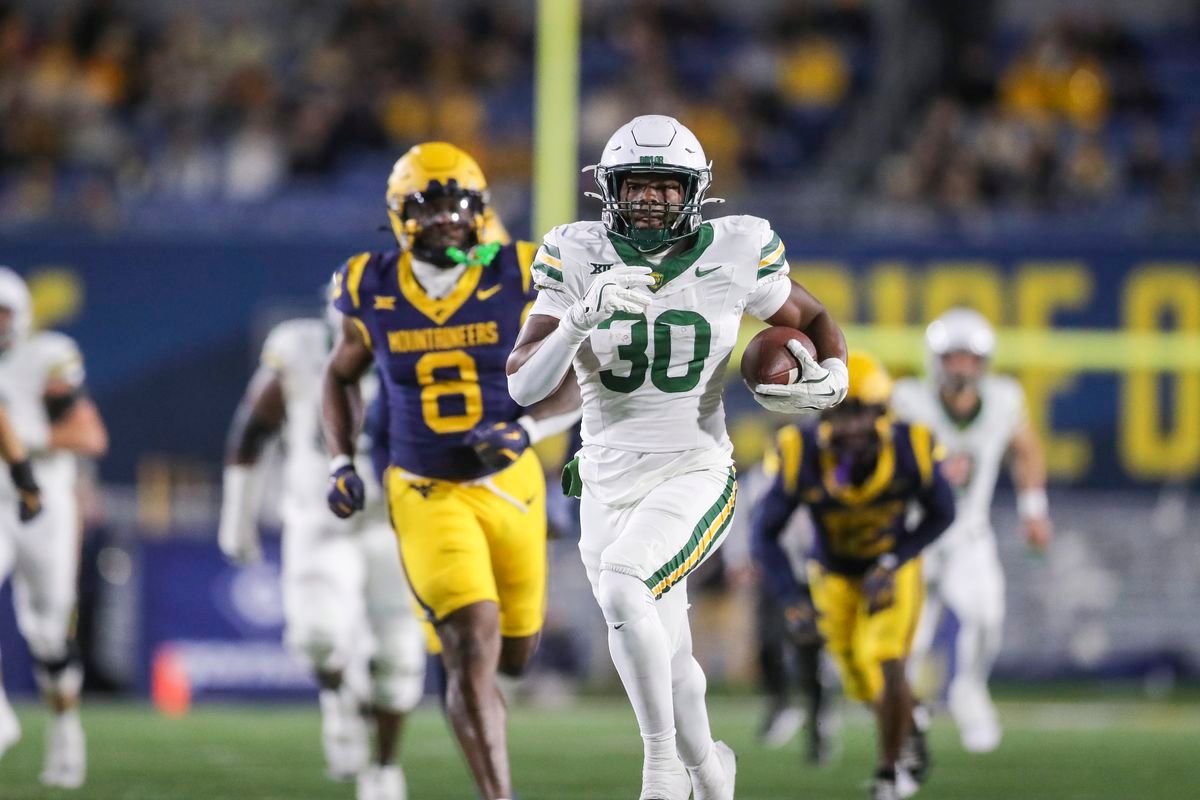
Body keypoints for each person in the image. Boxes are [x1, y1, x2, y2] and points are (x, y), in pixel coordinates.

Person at [506, 114, 849, 800]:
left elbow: (808, 320)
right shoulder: (575, 255)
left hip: (694, 466)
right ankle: (713, 779)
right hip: (604, 474)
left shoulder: (738, 247)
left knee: (625, 586)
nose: (653, 200)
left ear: (694, 192)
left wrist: (836, 370)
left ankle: (661, 769)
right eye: (638, 186)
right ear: (610, 189)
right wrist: (578, 318)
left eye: (667, 187)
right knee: (669, 650)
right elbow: (522, 386)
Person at [322, 142, 581, 800]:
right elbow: (341, 374)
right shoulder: (368, 283)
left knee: (514, 655)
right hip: (425, 488)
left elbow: (586, 376)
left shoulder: (522, 271)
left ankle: (457, 661)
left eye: (456, 202)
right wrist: (340, 459)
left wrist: (523, 430)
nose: (443, 217)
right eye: (426, 203)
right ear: (397, 213)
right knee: (473, 636)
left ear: (480, 209)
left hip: (512, 485)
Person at [219, 302, 426, 800]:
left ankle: (383, 766)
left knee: (398, 657)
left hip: (395, 523)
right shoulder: (300, 350)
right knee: (316, 635)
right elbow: (253, 430)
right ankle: (336, 696)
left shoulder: (425, 348)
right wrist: (236, 517)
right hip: (318, 518)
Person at [751, 351, 955, 800]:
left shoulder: (912, 447)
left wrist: (893, 559)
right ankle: (912, 719)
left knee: (886, 657)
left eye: (861, 413)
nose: (851, 428)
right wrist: (789, 595)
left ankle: (890, 773)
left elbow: (943, 512)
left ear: (883, 413)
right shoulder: (798, 452)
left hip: (890, 569)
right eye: (840, 413)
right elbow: (764, 534)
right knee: (859, 678)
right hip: (833, 575)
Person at [891, 307, 1052, 753]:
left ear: (984, 363)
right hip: (916, 535)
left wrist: (1034, 509)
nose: (961, 367)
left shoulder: (1004, 400)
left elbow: (1028, 449)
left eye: (969, 358)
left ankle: (969, 692)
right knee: (910, 637)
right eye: (953, 357)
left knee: (987, 620)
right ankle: (904, 718)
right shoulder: (908, 400)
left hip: (969, 535)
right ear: (935, 360)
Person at [0, 267, 108, 789]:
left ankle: (66, 729)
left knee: (48, 632)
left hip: (42, 503)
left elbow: (89, 435)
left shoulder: (45, 356)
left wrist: (27, 439)